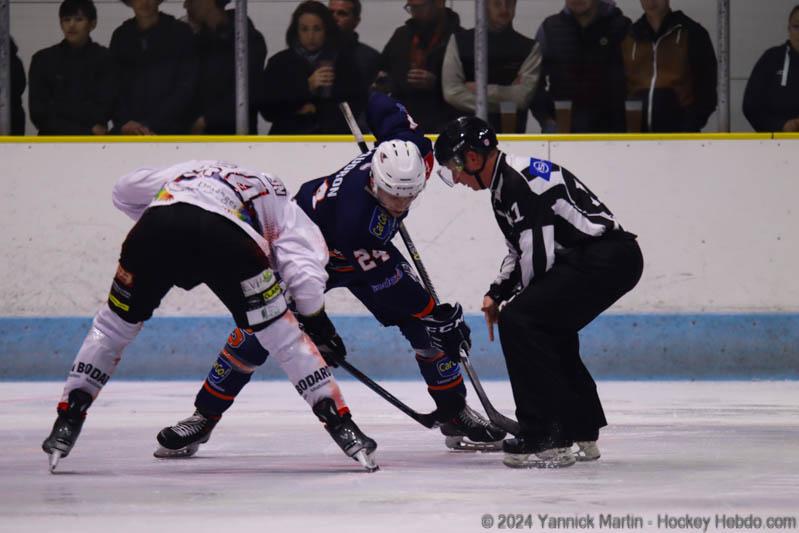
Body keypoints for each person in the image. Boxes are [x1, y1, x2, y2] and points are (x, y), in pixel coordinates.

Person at [157, 92, 505, 456]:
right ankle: (203, 418)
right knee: (258, 331)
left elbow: (380, 105)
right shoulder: (358, 221)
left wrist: (381, 101)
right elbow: (391, 286)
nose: (400, 205)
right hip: (303, 251)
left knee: (426, 328)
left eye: (409, 196)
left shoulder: (417, 152)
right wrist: (435, 313)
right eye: (392, 196)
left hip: (366, 251)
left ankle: (453, 413)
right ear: (374, 179)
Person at [41, 159, 378, 472]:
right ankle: (342, 426)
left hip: (159, 227)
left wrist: (171, 240)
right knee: (283, 336)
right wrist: (318, 323)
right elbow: (304, 276)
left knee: (113, 326)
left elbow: (124, 191)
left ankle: (68, 419)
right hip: (227, 241)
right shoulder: (278, 198)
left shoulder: (194, 169)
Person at [434, 116, 643, 468]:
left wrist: (514, 307)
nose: (454, 177)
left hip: (604, 258)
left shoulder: (515, 184)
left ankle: (546, 434)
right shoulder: (506, 182)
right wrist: (496, 293)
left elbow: (539, 258)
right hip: (607, 257)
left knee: (523, 322)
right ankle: (580, 429)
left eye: (454, 167)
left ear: (472, 158)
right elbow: (520, 251)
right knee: (547, 326)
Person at [260, 0, 364, 134]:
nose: (310, 36)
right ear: (296, 31)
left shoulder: (343, 62)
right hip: (288, 140)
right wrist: (306, 86)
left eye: (317, 29)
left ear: (326, 29)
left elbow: (356, 104)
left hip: (333, 140)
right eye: (304, 29)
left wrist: (319, 110)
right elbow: (267, 110)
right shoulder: (280, 62)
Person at [441, 0, 541, 133]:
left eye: (510, 3)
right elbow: (451, 93)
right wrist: (507, 95)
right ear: (485, 5)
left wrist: (479, 89)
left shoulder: (529, 48)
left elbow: (522, 97)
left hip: (512, 138)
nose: (505, 9)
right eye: (497, 3)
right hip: (466, 135)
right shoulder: (459, 42)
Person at [530, 0, 630, 133]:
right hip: (563, 135)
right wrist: (547, 120)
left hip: (614, 135)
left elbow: (636, 80)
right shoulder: (549, 29)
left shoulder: (621, 27)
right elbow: (534, 83)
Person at [621, 0, 717, 132]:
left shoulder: (692, 33)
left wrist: (690, 124)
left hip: (680, 138)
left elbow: (707, 89)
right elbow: (619, 86)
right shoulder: (629, 36)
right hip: (635, 138)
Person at [109, 0, 198, 134]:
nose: (144, 1)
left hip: (172, 131)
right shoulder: (121, 36)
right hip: (128, 131)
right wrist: (125, 122)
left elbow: (186, 86)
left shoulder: (180, 33)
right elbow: (113, 85)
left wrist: (152, 123)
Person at [28, 0, 115, 135]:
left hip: (94, 145)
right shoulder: (43, 60)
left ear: (92, 24)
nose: (72, 25)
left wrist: (59, 106)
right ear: (60, 23)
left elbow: (104, 109)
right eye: (66, 19)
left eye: (79, 19)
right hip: (51, 143)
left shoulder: (105, 59)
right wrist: (86, 129)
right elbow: (39, 114)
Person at [376, 0, 462, 134]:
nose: (414, 13)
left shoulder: (460, 38)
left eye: (420, 7)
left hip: (446, 125)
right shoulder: (401, 35)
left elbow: (467, 89)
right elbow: (383, 70)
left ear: (439, 3)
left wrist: (438, 83)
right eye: (411, 8)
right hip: (404, 124)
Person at [184, 0, 266, 134]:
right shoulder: (195, 41)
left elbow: (250, 90)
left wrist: (208, 120)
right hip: (201, 139)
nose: (186, 5)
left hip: (236, 138)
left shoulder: (248, 40)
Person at [743, 5, 799, 132]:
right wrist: (780, 126)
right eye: (797, 27)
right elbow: (750, 106)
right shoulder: (772, 58)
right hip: (776, 143)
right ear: (789, 29)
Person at [329, 0, 380, 130]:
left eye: (342, 13)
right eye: (330, 12)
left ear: (356, 20)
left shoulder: (369, 58)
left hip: (355, 132)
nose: (334, 17)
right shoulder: (312, 55)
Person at [9, 37, 27, 135]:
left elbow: (19, 87)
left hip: (13, 114)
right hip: (15, 113)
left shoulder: (14, 62)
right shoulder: (15, 61)